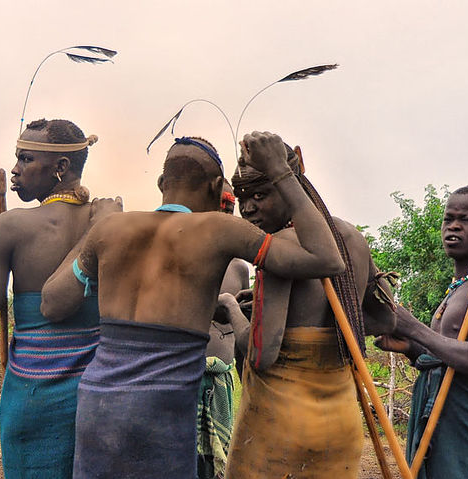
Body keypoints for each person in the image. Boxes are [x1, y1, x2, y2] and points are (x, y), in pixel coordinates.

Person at [41, 132, 345, 479]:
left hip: (97, 407)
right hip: (163, 413)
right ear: (217, 188)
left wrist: (92, 232)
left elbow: (52, 303)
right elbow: (327, 259)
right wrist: (281, 172)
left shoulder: (110, 229)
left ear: (161, 183)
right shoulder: (220, 229)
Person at [223, 141, 398, 479]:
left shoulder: (278, 250)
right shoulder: (352, 238)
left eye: (260, 194)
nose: (248, 208)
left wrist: (231, 307)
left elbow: (261, 354)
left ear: (289, 181)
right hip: (339, 424)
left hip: (282, 429)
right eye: (243, 197)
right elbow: (385, 318)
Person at [0, 118, 119, 479]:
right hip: (101, 401)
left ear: (61, 167)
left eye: (26, 160)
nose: (15, 171)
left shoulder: (11, 226)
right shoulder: (111, 222)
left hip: (32, 403)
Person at [375, 184, 468, 479]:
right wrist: (410, 348)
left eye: (466, 219)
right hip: (440, 437)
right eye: (448, 218)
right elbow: (445, 357)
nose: (453, 226)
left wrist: (415, 328)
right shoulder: (459, 287)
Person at [197, 180, 249, 479]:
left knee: (219, 466)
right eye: (219, 205)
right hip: (186, 379)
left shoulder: (240, 268)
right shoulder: (178, 256)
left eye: (229, 207)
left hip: (222, 382)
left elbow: (242, 336)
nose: (224, 213)